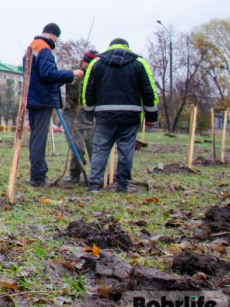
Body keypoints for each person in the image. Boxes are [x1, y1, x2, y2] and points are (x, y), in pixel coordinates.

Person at [82, 38, 158, 193]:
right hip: (130, 116)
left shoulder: (96, 63)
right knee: (126, 151)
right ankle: (122, 185)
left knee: (100, 149)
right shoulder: (139, 63)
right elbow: (149, 91)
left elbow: (88, 90)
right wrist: (151, 116)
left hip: (104, 115)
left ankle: (95, 184)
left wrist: (89, 113)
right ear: (127, 47)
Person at [24, 23, 84, 187]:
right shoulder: (44, 49)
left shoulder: (32, 46)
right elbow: (47, 74)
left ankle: (37, 174)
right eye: (57, 38)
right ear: (53, 34)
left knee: (36, 137)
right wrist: (71, 74)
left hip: (32, 99)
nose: (56, 41)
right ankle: (38, 177)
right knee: (39, 138)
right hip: (42, 100)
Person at [62, 49, 99, 184]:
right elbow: (56, 81)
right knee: (77, 147)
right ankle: (75, 174)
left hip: (88, 115)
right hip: (70, 114)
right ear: (83, 61)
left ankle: (96, 177)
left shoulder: (96, 74)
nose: (89, 67)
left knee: (93, 147)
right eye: (87, 64)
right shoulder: (71, 71)